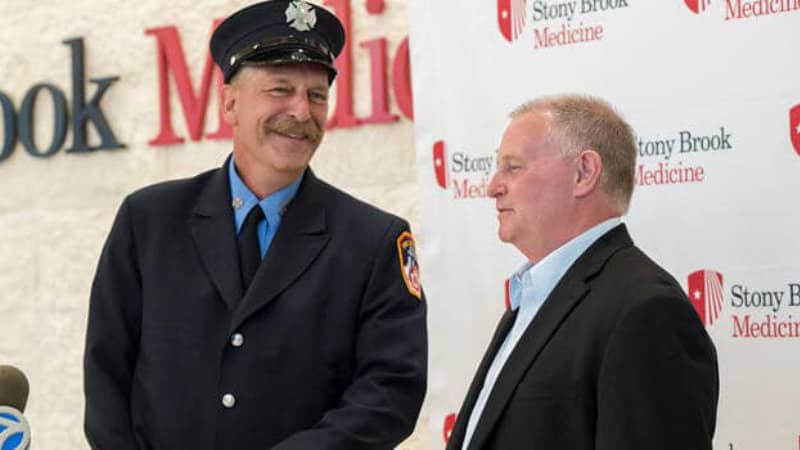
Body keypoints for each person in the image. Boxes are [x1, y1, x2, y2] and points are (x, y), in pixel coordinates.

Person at [83, 1, 427, 449]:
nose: (301, 112)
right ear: (230, 103)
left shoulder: (374, 242)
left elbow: (390, 392)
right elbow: (107, 371)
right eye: (280, 89)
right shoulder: (148, 221)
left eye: (317, 95)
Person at [446, 95, 718, 450]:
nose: (492, 187)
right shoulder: (535, 295)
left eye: (513, 167)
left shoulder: (645, 311)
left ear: (583, 173)